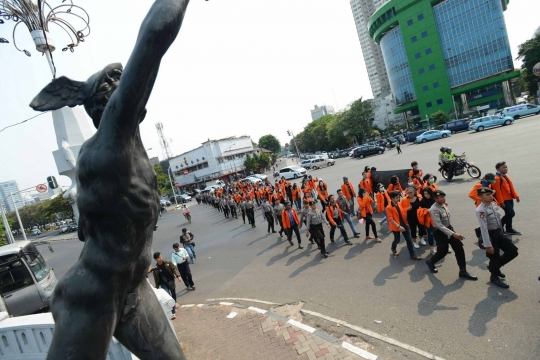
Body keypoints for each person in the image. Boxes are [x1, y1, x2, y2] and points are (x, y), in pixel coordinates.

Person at [425, 190, 477, 280]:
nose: (443, 198)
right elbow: (438, 225)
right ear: (436, 199)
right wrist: (453, 234)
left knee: (459, 249)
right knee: (443, 252)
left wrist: (452, 232)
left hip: (449, 228)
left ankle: (463, 271)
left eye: (444, 196)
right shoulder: (434, 209)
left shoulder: (443, 205)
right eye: (441, 197)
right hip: (440, 232)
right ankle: (430, 261)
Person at [476, 187, 518, 288]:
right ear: (480, 197)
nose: (490, 196)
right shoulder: (481, 210)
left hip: (499, 233)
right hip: (490, 236)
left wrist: (502, 231)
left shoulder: (493, 204)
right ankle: (494, 277)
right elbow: (484, 228)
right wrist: (488, 245)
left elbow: (498, 220)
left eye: (491, 194)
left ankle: (494, 267)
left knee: (513, 251)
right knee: (494, 257)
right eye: (487, 195)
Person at [386, 191, 421, 260]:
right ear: (392, 198)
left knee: (408, 240)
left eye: (398, 197)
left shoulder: (399, 203)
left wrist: (407, 223)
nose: (398, 199)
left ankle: (412, 254)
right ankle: (393, 247)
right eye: (396, 198)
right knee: (397, 240)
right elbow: (391, 219)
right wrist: (398, 226)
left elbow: (403, 214)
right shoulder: (389, 207)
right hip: (396, 226)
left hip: (404, 224)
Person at [150, 252, 182, 320]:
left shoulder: (167, 263)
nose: (160, 258)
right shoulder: (156, 268)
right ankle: (173, 312)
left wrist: (178, 276)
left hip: (170, 281)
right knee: (168, 296)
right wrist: (157, 286)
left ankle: (175, 302)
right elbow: (156, 278)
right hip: (163, 284)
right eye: (158, 257)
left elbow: (174, 268)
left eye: (161, 256)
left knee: (173, 293)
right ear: (156, 259)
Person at [492, 161, 521, 235]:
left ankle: (509, 229)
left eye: (506, 167)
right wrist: (501, 202)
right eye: (503, 167)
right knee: (511, 214)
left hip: (509, 198)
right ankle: (499, 228)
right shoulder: (497, 178)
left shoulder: (505, 176)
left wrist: (516, 196)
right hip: (504, 200)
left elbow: (511, 188)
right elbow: (497, 191)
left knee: (509, 214)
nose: (505, 169)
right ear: (498, 169)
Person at [418, 187, 436, 255]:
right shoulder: (422, 201)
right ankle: (432, 248)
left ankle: (442, 246)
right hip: (428, 220)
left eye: (428, 194)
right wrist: (427, 210)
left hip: (436, 219)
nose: (426, 195)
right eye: (425, 194)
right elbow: (419, 210)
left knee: (439, 234)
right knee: (430, 234)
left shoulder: (435, 199)